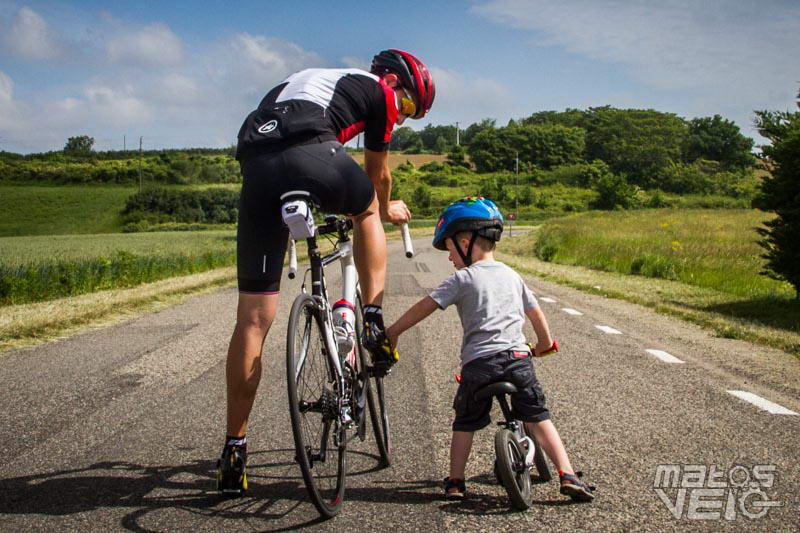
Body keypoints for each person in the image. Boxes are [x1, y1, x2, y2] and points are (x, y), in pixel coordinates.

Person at [216, 49, 435, 495]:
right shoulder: (380, 91)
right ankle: (372, 320)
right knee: (367, 211)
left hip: (256, 162)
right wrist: (387, 205)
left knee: (253, 321)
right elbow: (377, 175)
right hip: (311, 149)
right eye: (410, 106)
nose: (404, 116)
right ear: (396, 82)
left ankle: (234, 449)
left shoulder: (301, 79)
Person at [385, 197, 596, 501]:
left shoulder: (462, 278)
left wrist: (393, 332)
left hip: (478, 366)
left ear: (466, 241)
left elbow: (424, 307)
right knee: (538, 416)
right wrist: (543, 345)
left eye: (450, 248)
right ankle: (568, 473)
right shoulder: (512, 275)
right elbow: (536, 315)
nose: (449, 258)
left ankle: (456, 481)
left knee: (465, 422)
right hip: (518, 360)